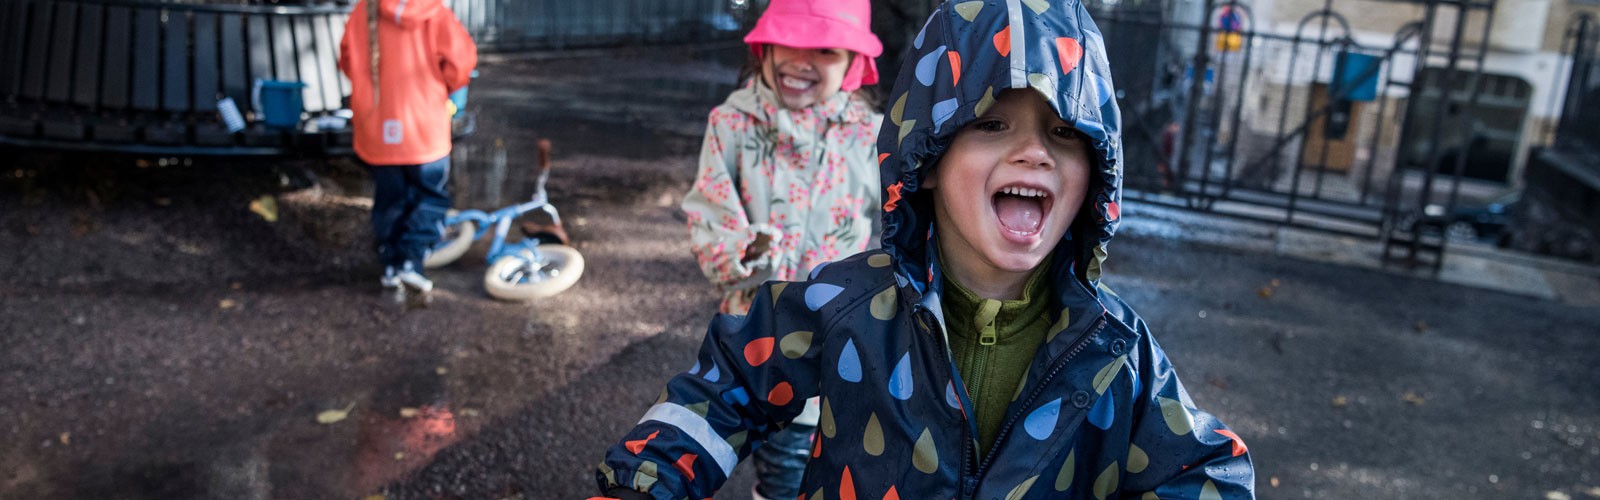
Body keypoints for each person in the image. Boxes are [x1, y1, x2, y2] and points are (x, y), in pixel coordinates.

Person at [592, 1, 1256, 499]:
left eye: (1063, 131)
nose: (1033, 151)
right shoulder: (849, 305)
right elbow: (724, 386)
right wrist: (645, 481)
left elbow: (1207, 470)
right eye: (992, 124)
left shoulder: (1114, 351)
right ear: (929, 158)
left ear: (1096, 172)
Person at [677, 0, 883, 497]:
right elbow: (710, 218)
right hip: (757, 341)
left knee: (838, 464)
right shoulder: (732, 123)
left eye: (825, 49)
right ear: (764, 44)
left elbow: (908, 220)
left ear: (853, 63)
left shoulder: (869, 135)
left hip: (838, 345)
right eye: (789, 38)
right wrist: (747, 249)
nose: (801, 60)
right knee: (780, 471)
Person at [338, 0, 477, 292]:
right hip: (424, 127)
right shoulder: (434, 12)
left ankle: (390, 263)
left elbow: (348, 61)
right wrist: (451, 90)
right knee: (430, 196)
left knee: (390, 198)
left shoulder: (363, 11)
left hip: (377, 125)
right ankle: (411, 262)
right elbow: (460, 63)